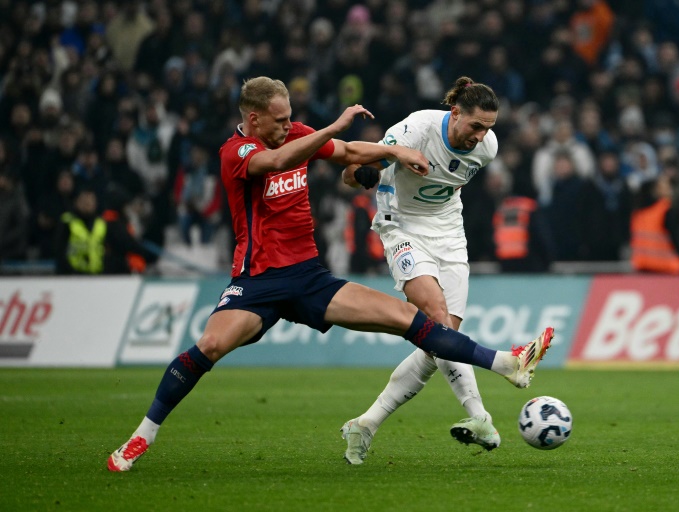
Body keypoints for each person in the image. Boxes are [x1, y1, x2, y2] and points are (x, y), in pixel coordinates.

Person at [107, 77, 554, 472]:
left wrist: (391, 150)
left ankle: (505, 362)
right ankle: (143, 434)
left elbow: (348, 154)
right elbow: (277, 163)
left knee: (414, 322)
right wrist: (333, 129)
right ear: (254, 118)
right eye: (279, 121)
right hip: (256, 281)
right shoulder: (236, 151)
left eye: (291, 118)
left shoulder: (298, 134)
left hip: (309, 278)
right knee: (210, 345)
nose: (287, 126)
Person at [339, 77, 554, 465]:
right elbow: (349, 174)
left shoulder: (487, 148)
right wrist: (368, 173)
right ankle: (484, 409)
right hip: (401, 228)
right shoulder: (415, 129)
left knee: (440, 341)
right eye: (475, 125)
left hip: (450, 235)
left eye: (488, 127)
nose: (480, 135)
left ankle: (365, 424)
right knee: (437, 321)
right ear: (455, 113)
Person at [630, 175, 679, 274]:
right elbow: (678, 238)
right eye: (665, 186)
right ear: (655, 191)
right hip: (666, 268)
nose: (670, 190)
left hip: (642, 267)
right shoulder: (665, 210)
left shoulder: (637, 214)